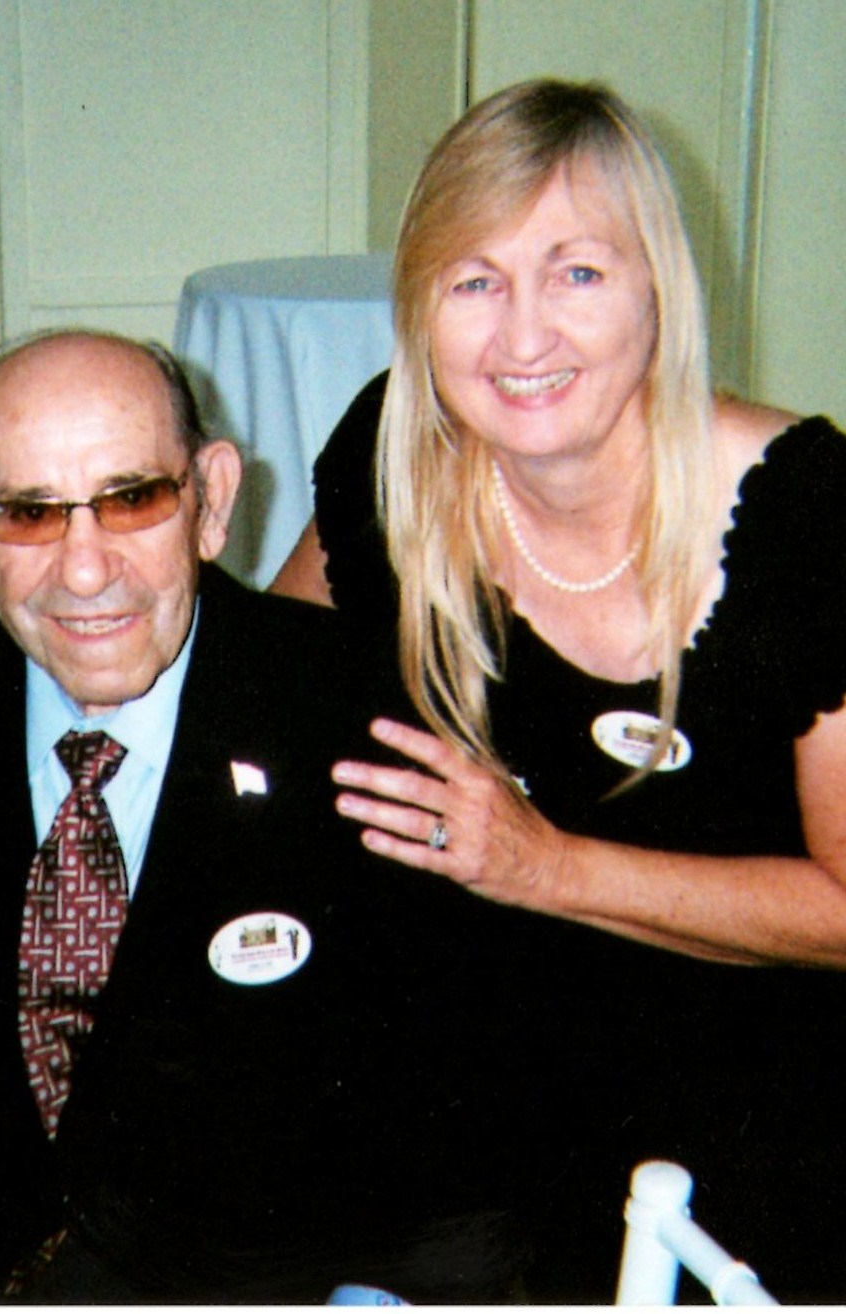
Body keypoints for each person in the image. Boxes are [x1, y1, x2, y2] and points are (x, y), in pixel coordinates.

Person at [0, 330, 554, 1302]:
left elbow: (466, 1160)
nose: (87, 570)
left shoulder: (370, 726)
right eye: (27, 514)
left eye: (134, 497)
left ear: (212, 501)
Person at [272, 78, 846, 1301]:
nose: (521, 338)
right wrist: (10, 636)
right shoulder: (398, 459)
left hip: (749, 1096)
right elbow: (259, 671)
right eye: (472, 281)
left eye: (577, 273)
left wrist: (543, 866)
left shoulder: (809, 517)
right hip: (463, 1069)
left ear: (659, 290)